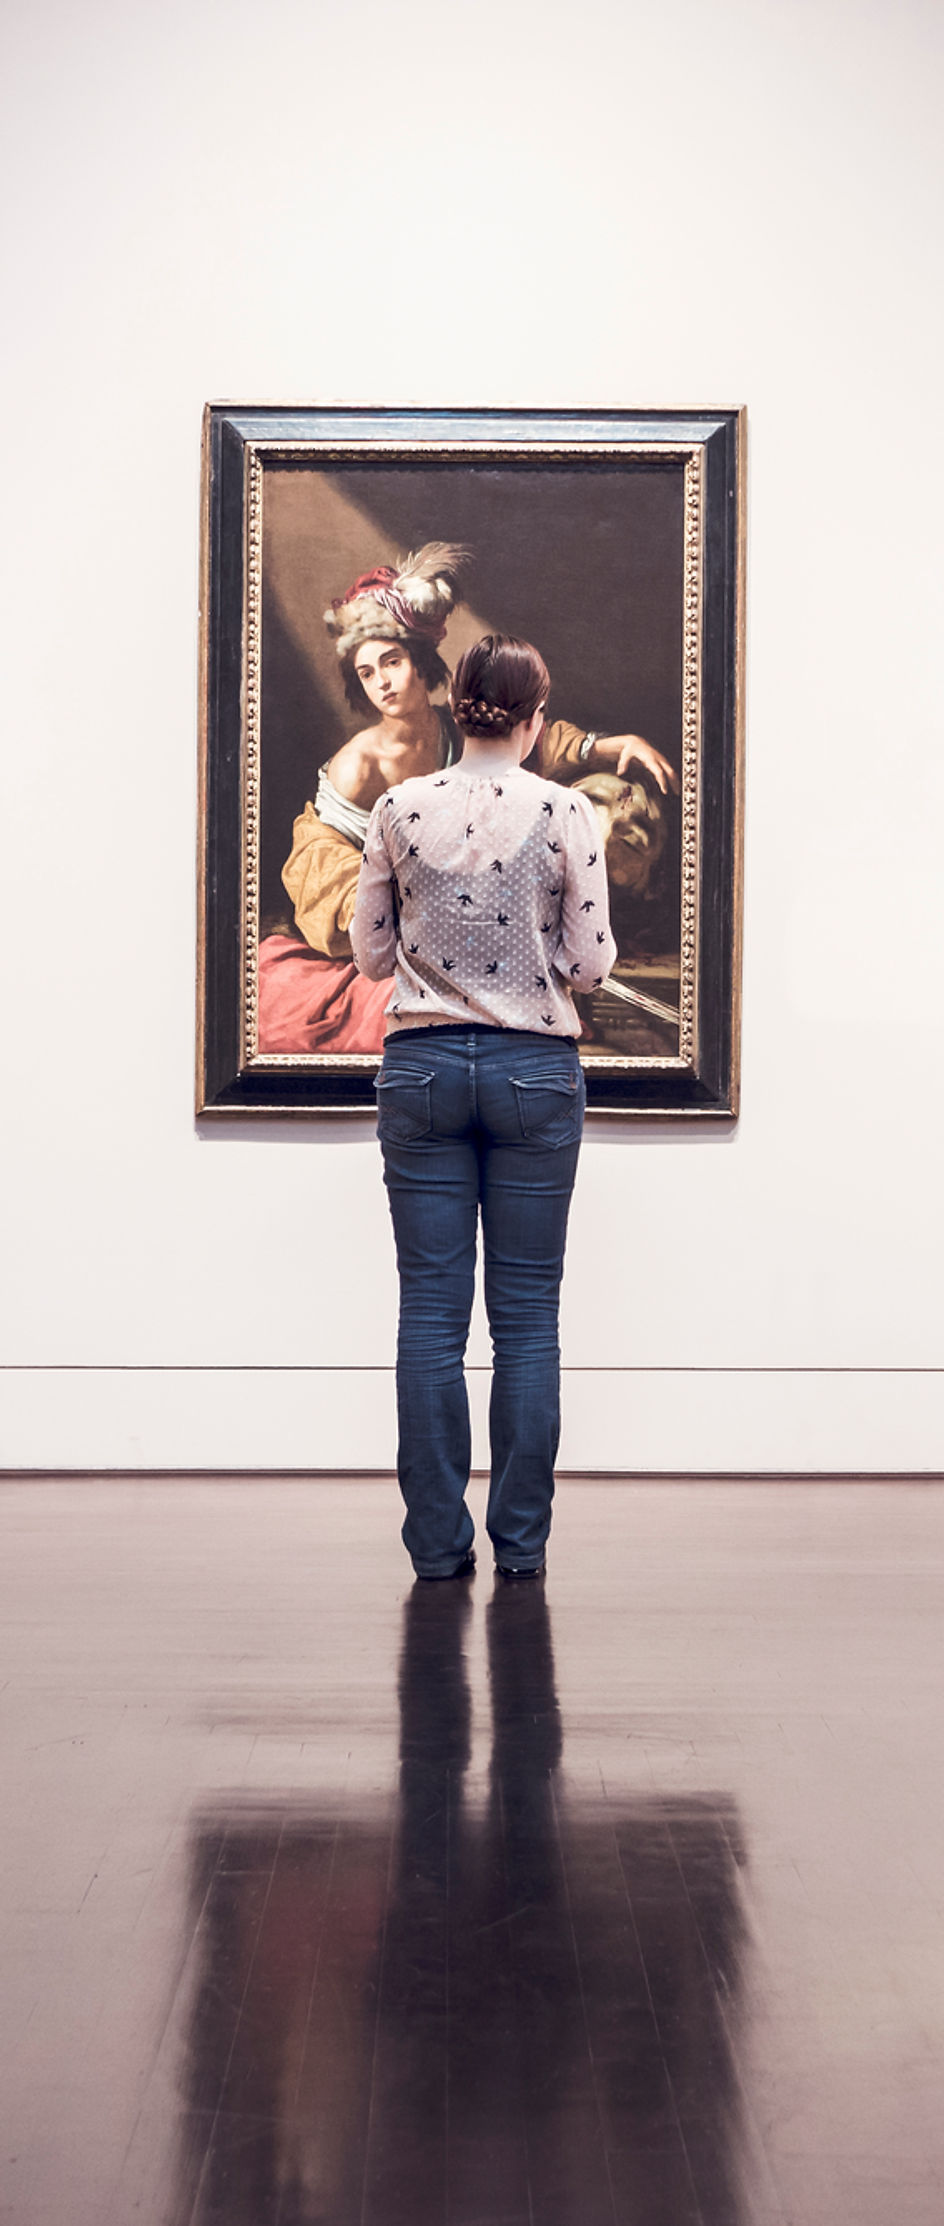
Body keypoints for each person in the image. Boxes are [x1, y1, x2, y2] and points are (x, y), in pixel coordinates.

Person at [350, 633, 617, 1581]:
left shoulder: (397, 807)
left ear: (458, 704)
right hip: (534, 1073)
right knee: (527, 1318)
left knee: (429, 1316)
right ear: (535, 717)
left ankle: (435, 1549)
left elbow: (372, 956)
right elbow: (588, 965)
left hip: (419, 1068)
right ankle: (521, 1546)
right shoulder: (565, 811)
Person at [258, 546, 676, 1055]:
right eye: (367, 673)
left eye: (391, 662)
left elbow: (533, 745)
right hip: (380, 922)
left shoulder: (452, 726)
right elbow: (331, 868)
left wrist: (606, 745)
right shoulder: (358, 766)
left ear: (420, 661)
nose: (383, 682)